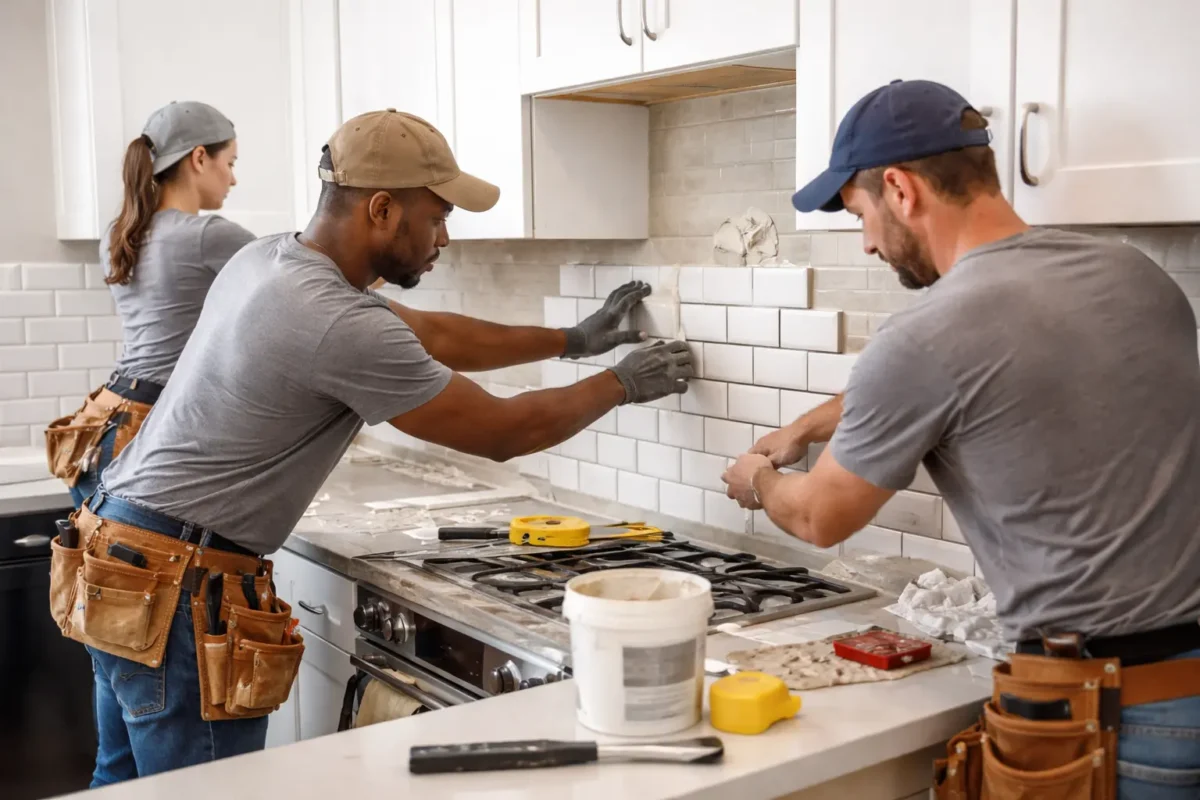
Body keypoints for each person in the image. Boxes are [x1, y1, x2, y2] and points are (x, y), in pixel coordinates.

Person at [55, 109, 692, 786]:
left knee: (121, 782)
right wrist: (620, 384)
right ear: (383, 210)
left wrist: (572, 338)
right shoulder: (334, 319)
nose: (445, 236)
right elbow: (506, 431)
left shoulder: (271, 259)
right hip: (183, 584)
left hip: (121, 554)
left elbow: (438, 336)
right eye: (438, 216)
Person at [722, 79, 1200, 798]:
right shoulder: (1135, 276)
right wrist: (807, 426)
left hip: (1105, 719)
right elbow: (994, 379)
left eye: (860, 214)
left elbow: (822, 516)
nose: (868, 241)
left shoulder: (925, 335)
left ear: (900, 189)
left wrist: (757, 474)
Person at [44, 101, 254, 508]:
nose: (233, 178)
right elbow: (307, 277)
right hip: (148, 426)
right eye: (229, 162)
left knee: (100, 568)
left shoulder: (118, 233)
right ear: (198, 158)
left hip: (105, 419)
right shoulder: (206, 235)